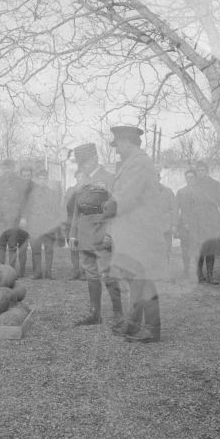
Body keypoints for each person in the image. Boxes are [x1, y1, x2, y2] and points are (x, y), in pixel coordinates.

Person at [102, 126, 167, 343]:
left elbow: (127, 195)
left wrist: (106, 207)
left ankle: (152, 328)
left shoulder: (139, 163)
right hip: (133, 231)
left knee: (143, 279)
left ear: (128, 142)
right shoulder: (133, 162)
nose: (117, 150)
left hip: (141, 233)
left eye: (118, 145)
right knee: (135, 279)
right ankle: (134, 323)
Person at [69, 143, 123, 327]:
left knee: (108, 273)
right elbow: (77, 209)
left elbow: (117, 209)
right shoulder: (83, 180)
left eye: (85, 161)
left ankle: (118, 313)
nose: (82, 165)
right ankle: (95, 314)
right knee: (90, 272)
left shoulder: (109, 178)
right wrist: (73, 234)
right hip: (84, 232)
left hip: (102, 232)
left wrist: (111, 234)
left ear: (95, 159)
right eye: (80, 162)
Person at [0, 161, 32, 277]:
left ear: (13, 168)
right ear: (3, 168)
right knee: (1, 245)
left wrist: (24, 217)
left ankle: (11, 271)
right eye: (5, 168)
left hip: (15, 218)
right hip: (1, 218)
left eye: (10, 168)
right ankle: (1, 270)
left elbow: (24, 201)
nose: (7, 170)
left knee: (12, 245)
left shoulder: (20, 182)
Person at [191, 161, 220, 285]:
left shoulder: (215, 185)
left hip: (211, 219)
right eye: (198, 170)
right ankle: (199, 275)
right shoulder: (192, 185)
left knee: (210, 247)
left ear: (207, 171)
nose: (200, 173)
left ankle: (210, 275)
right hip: (197, 220)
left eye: (202, 170)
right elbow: (188, 204)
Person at [27, 169, 59, 279]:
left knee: (49, 250)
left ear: (47, 180)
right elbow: (27, 209)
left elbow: (56, 210)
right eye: (40, 178)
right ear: (37, 179)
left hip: (48, 226)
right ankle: (37, 273)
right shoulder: (32, 194)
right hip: (35, 226)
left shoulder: (52, 193)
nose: (42, 181)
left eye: (44, 178)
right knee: (36, 250)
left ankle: (49, 273)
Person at [63, 169, 86, 280]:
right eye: (79, 176)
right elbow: (65, 205)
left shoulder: (89, 191)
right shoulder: (70, 190)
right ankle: (75, 271)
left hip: (84, 222)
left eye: (83, 176)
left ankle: (83, 272)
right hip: (71, 222)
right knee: (73, 248)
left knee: (83, 248)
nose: (80, 178)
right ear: (75, 178)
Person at [175, 169, 197, 277]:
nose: (190, 179)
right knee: (185, 248)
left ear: (195, 178)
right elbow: (176, 209)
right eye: (188, 177)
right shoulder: (181, 192)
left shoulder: (201, 192)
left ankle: (199, 270)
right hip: (184, 225)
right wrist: (178, 225)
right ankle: (186, 269)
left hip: (197, 225)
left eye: (192, 177)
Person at [155, 167, 177, 263]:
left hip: (165, 227)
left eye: (155, 177)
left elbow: (174, 209)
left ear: (159, 178)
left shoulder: (168, 191)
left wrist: (174, 225)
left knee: (166, 250)